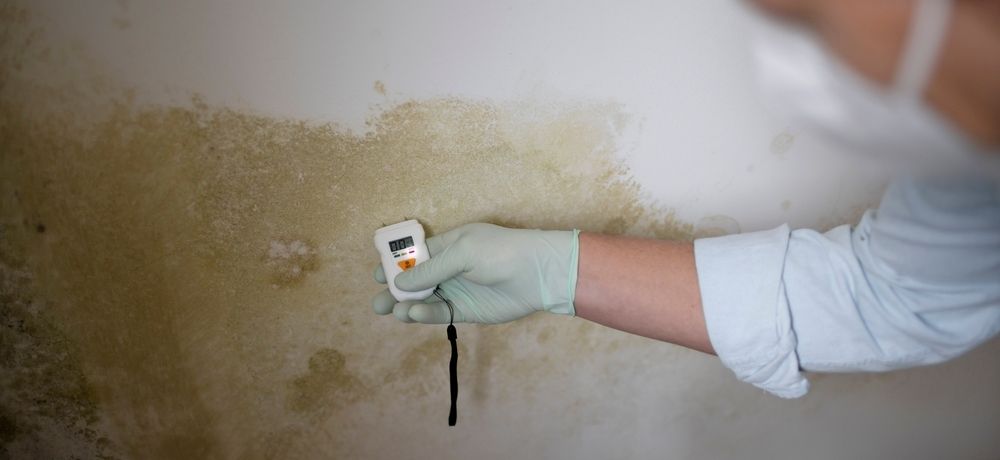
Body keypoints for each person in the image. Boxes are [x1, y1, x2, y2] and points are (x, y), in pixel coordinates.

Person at [372, 0, 1000, 398]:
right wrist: (558, 271)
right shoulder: (972, 171)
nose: (801, 71)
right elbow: (891, 297)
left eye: (814, 16)